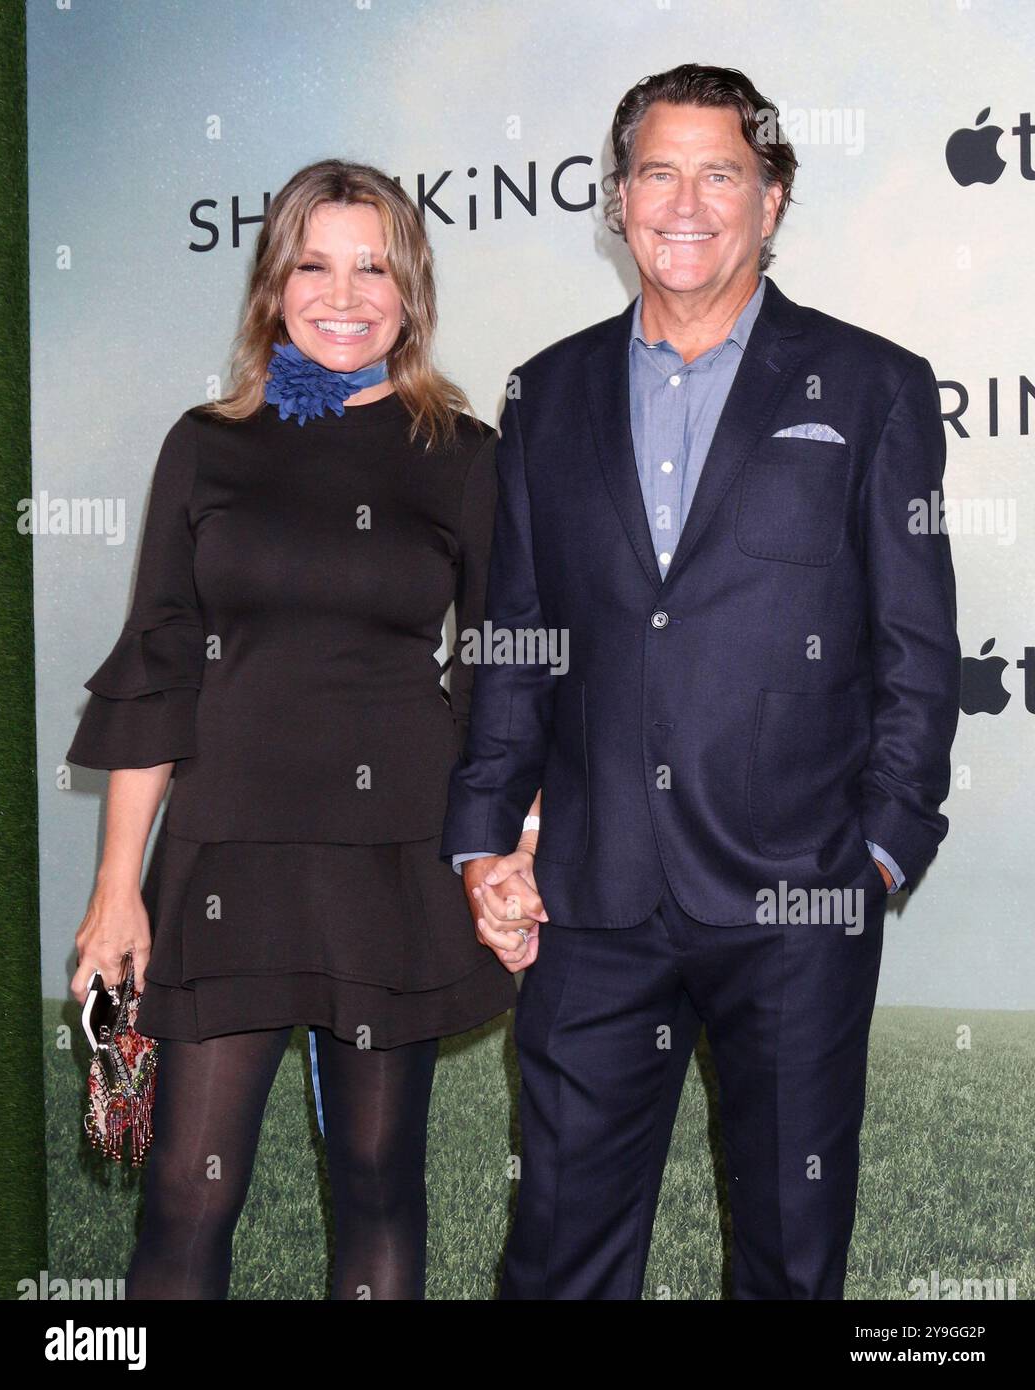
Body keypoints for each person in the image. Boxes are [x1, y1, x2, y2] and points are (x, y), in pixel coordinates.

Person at [442, 63, 961, 1299]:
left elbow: (916, 650)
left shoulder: (874, 385)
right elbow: (516, 639)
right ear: (616, 200)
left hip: (797, 901)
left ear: (771, 198)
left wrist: (879, 850)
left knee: (786, 1257)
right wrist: (482, 842)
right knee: (560, 1255)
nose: (686, 202)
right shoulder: (544, 390)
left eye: (720, 171)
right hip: (593, 902)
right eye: (655, 172)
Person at [67, 159, 521, 1300]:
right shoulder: (204, 444)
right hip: (228, 853)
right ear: (273, 285)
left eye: (375, 265)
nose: (345, 292)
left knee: (376, 1180)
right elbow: (158, 664)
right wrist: (119, 885)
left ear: (410, 290)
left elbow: (504, 673)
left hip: (392, 855)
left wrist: (495, 847)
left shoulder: (463, 455)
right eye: (313, 263)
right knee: (186, 1194)